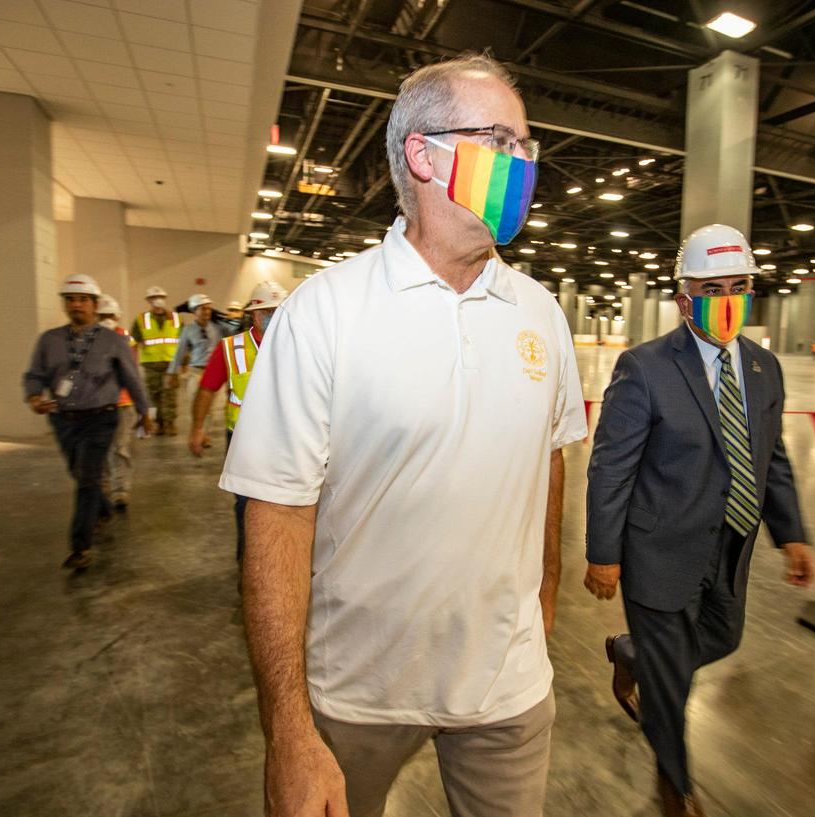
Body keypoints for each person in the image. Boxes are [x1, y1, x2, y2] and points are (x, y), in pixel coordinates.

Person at [220, 53, 586, 817]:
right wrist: (287, 728)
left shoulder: (541, 313)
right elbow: (278, 515)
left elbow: (548, 464)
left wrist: (544, 597)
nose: (524, 165)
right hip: (356, 692)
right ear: (423, 153)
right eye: (502, 141)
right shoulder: (325, 312)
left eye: (528, 147)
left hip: (507, 691)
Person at [584, 224, 815, 817]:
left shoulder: (764, 368)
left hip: (730, 544)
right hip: (658, 548)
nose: (729, 299)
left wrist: (791, 534)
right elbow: (611, 467)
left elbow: (773, 454)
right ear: (685, 298)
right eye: (714, 288)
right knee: (670, 689)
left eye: (740, 285)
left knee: (724, 636)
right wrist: (603, 553)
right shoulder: (645, 368)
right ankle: (675, 785)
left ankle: (634, 656)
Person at [23, 275, 152, 569]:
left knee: (89, 476)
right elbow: (34, 375)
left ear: (94, 304)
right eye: (70, 299)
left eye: (82, 299)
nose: (76, 305)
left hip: (101, 418)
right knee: (80, 474)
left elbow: (132, 379)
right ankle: (104, 509)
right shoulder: (49, 340)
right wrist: (33, 398)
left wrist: (145, 413)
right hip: (63, 420)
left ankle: (80, 546)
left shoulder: (114, 341)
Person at [188, 281, 287, 567]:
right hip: (244, 441)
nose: (273, 316)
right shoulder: (231, 348)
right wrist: (197, 428)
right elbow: (207, 389)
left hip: (289, 439)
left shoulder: (300, 345)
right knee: (247, 506)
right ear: (253, 315)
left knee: (292, 502)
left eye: (279, 310)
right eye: (267, 311)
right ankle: (249, 568)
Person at [96, 295, 139, 510]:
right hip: (96, 406)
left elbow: (132, 370)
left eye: (110, 316)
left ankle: (120, 490)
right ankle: (103, 490)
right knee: (99, 451)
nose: (107, 320)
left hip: (122, 403)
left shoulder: (125, 338)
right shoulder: (89, 339)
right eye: (102, 316)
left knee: (120, 448)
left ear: (117, 317)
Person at [168, 293, 222, 440]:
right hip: (195, 372)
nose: (207, 312)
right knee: (195, 403)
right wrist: (172, 373)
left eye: (209, 309)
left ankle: (203, 433)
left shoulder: (217, 328)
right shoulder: (188, 330)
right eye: (203, 309)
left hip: (213, 372)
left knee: (210, 407)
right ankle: (198, 433)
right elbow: (180, 352)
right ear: (194, 311)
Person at [131, 286, 181, 435]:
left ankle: (170, 423)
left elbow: (184, 341)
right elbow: (133, 341)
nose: (157, 301)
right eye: (153, 298)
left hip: (171, 363)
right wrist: (132, 360)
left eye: (160, 298)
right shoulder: (141, 319)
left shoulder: (176, 318)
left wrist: (184, 361)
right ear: (148, 301)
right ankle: (159, 423)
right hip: (151, 364)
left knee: (170, 394)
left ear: (165, 300)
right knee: (155, 395)